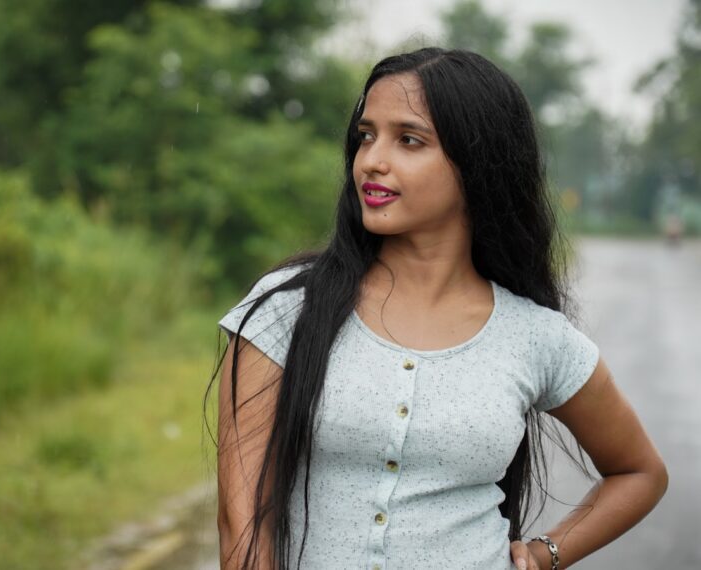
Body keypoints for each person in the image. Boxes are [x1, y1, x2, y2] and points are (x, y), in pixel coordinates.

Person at [210, 48, 667, 570]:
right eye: (366, 135)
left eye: (408, 140)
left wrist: (546, 554)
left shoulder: (536, 336)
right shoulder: (287, 309)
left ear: (478, 162)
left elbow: (640, 472)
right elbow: (239, 522)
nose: (372, 160)